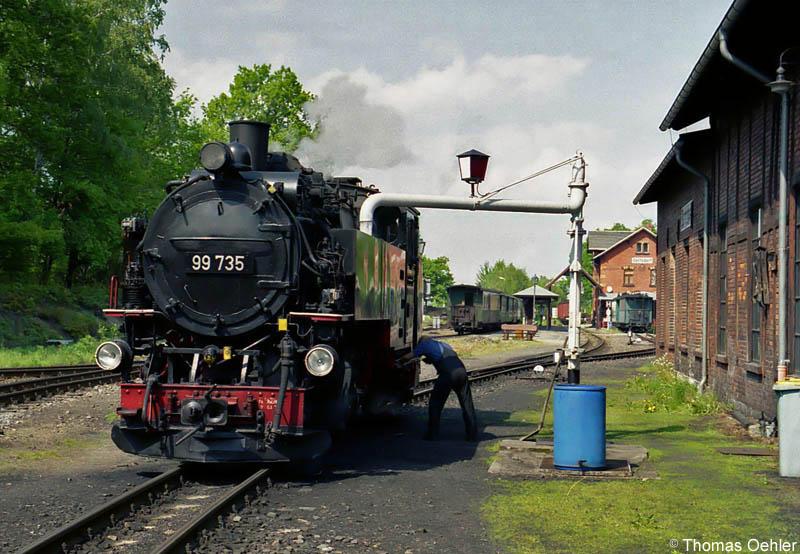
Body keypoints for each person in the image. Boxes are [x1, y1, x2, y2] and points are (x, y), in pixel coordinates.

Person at [412, 335, 478, 441]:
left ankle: (432, 434)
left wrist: (399, 361)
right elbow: (443, 356)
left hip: (448, 374)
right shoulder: (444, 345)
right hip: (461, 371)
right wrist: (429, 360)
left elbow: (410, 356)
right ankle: (472, 435)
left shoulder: (423, 344)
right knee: (467, 404)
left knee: (435, 403)